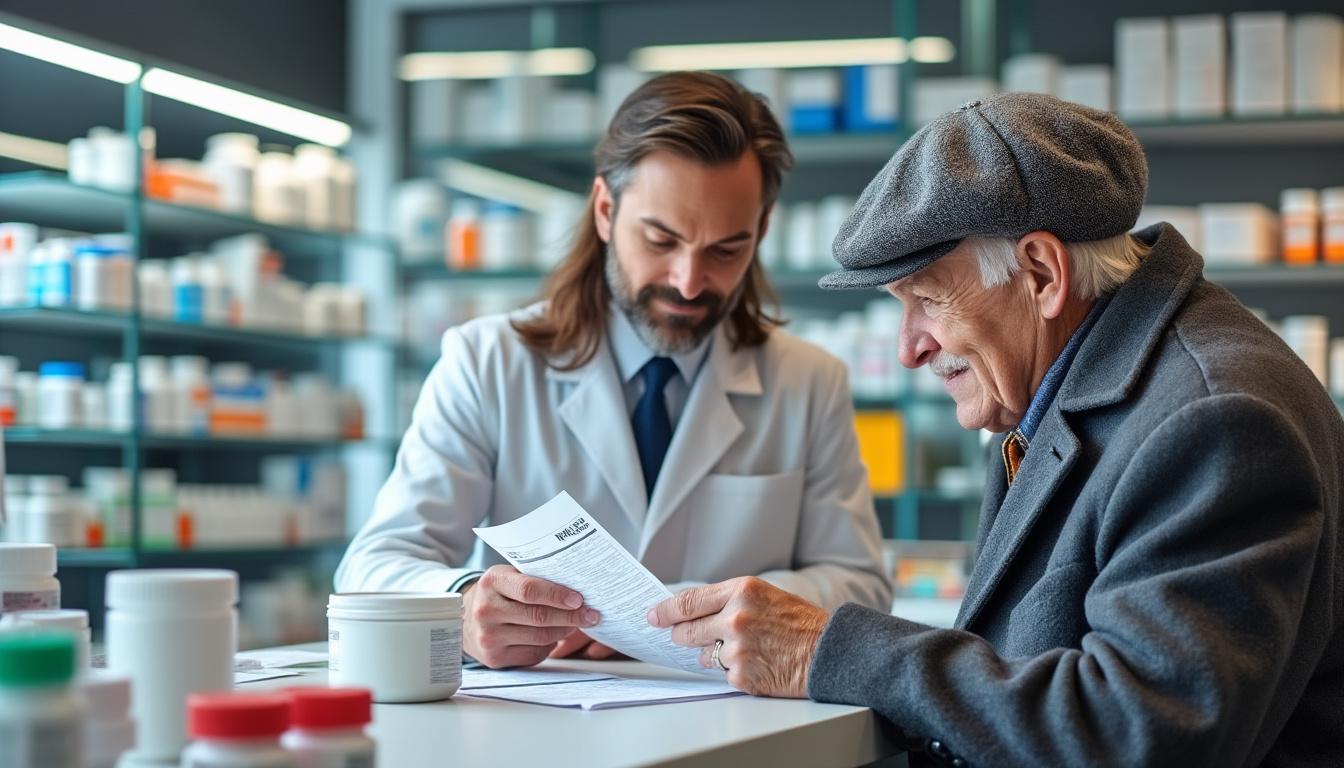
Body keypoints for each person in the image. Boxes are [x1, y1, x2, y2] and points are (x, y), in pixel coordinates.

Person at [648, 93, 1344, 766]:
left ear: (1041, 272)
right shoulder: (1056, 390)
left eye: (926, 299)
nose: (909, 348)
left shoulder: (1213, 420)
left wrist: (829, 648)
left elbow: (1141, 736)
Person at [336, 71, 891, 669]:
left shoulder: (809, 381)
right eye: (660, 240)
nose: (688, 281)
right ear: (605, 210)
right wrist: (464, 604)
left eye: (726, 250)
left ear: (762, 230)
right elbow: (370, 569)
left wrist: (738, 607)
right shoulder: (487, 361)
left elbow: (860, 584)